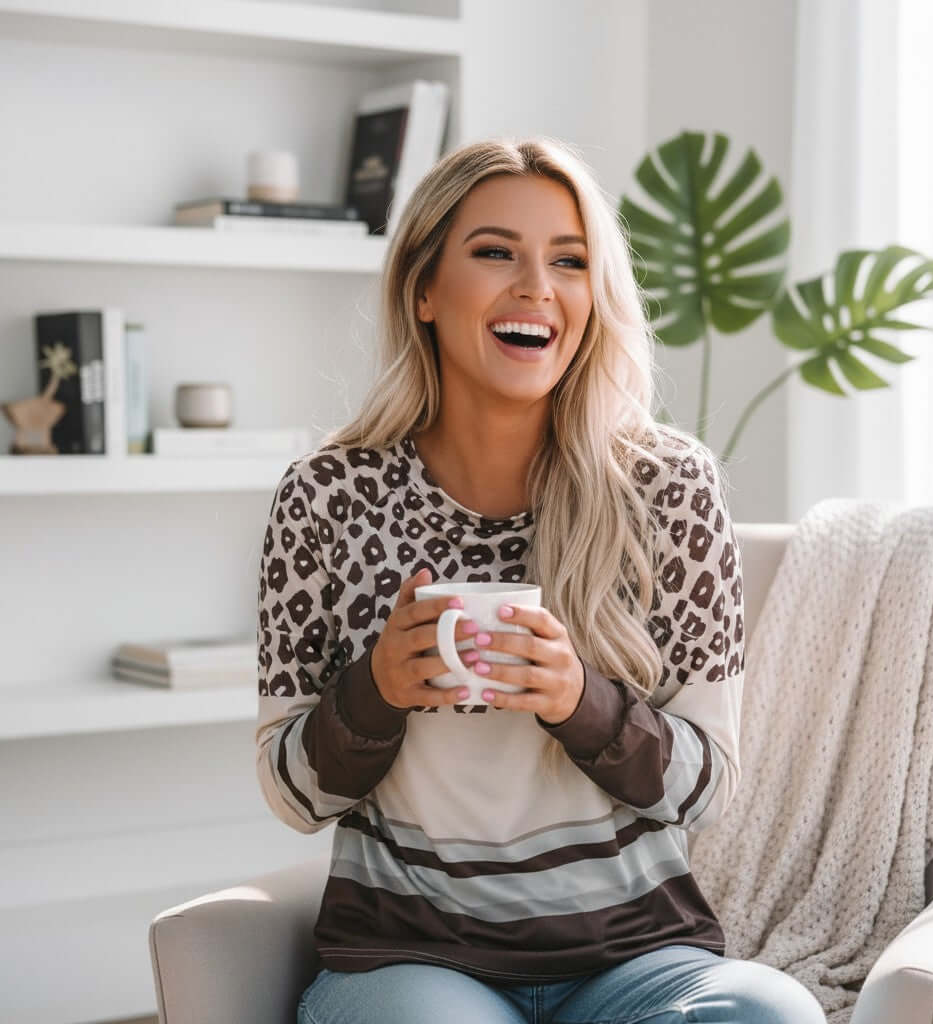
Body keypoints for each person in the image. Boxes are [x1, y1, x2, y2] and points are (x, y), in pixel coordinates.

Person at [256, 136, 826, 1024]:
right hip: (411, 959)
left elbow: (709, 789)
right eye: (495, 253)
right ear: (424, 289)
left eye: (569, 261)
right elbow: (292, 793)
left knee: (770, 1014)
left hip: (635, 959)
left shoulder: (668, 486)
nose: (538, 288)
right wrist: (379, 691)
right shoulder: (328, 497)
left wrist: (579, 702)